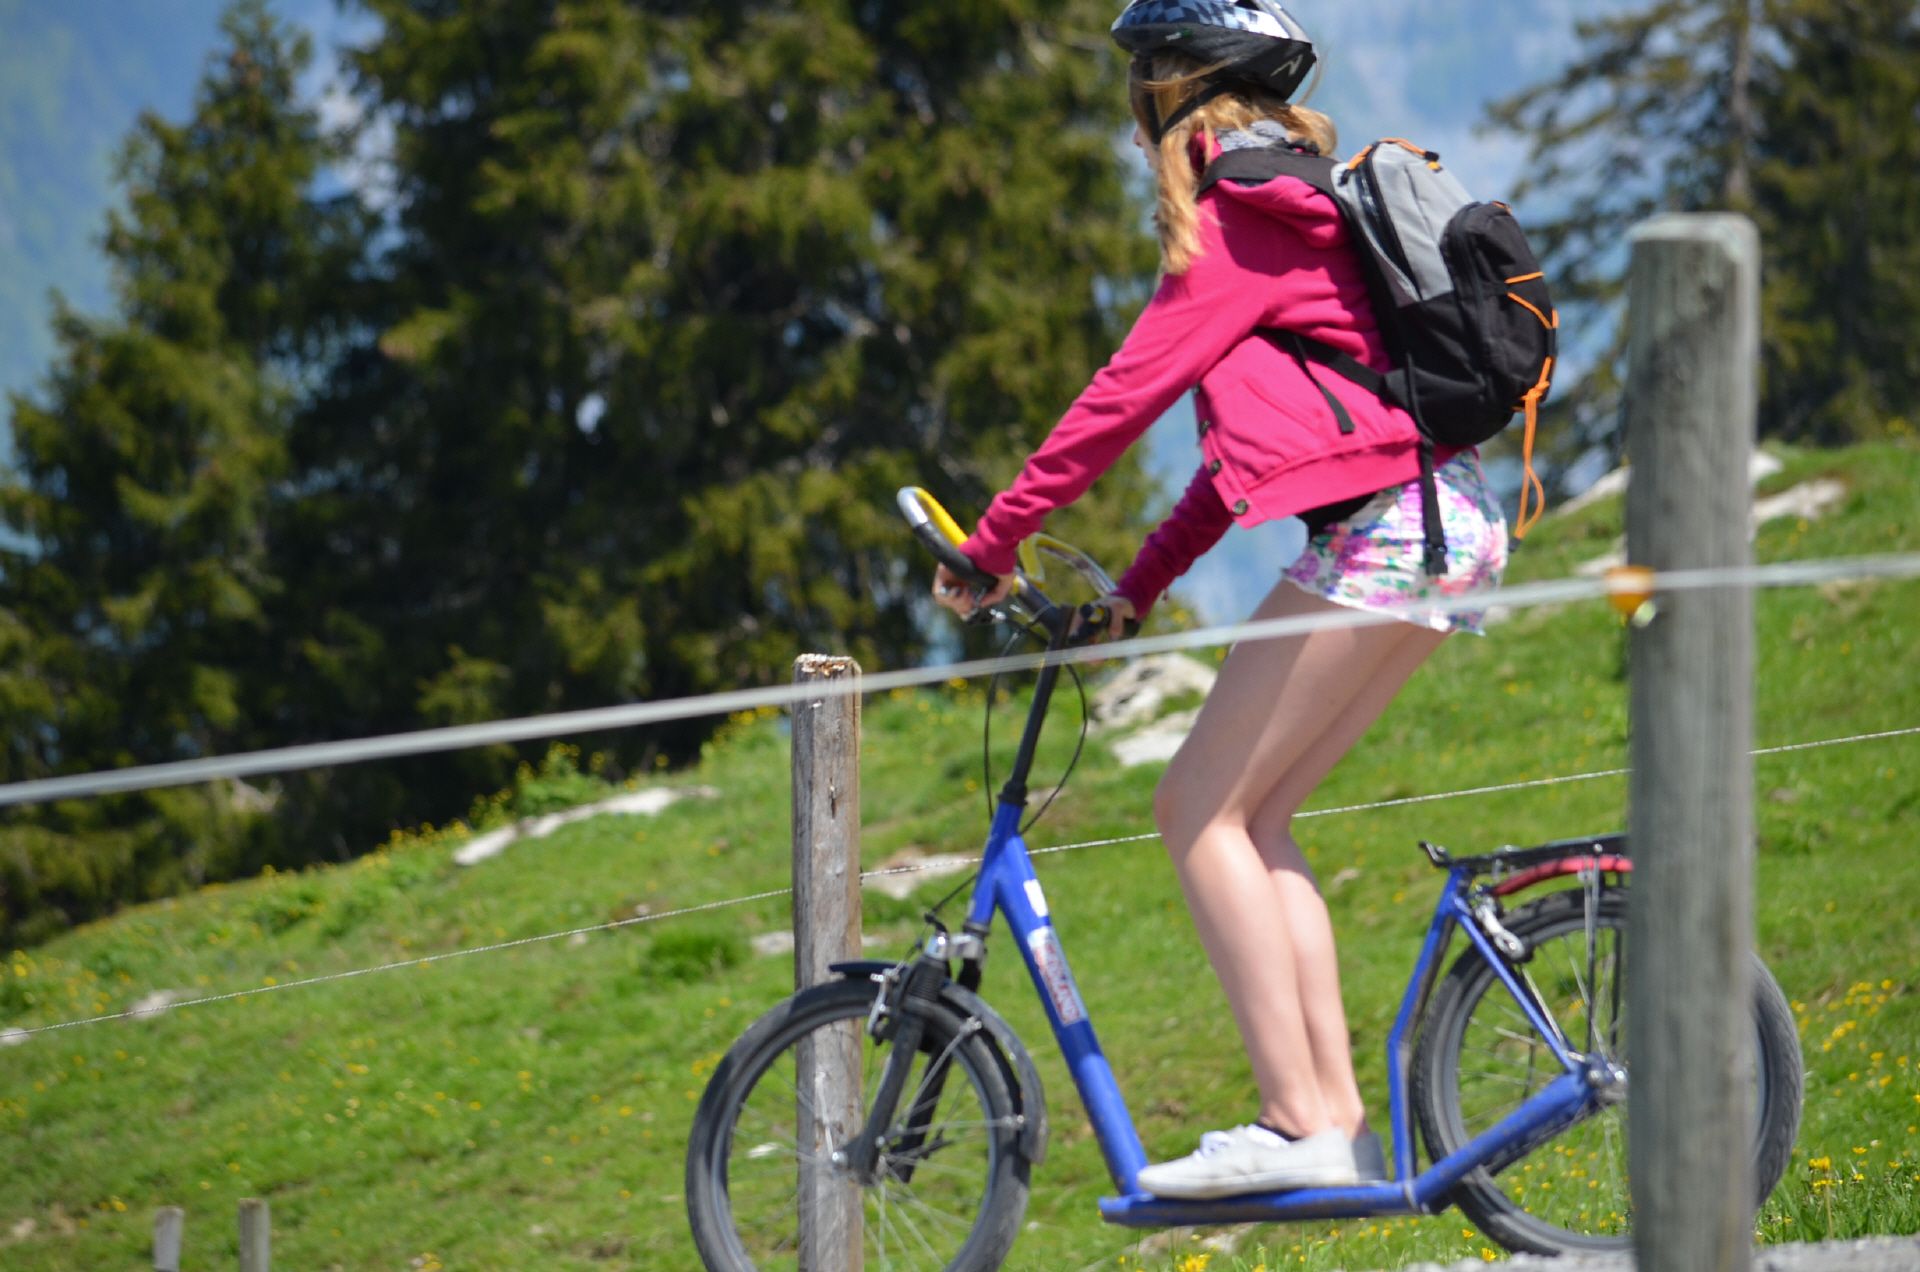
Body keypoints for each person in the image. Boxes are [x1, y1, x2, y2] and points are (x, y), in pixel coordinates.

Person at [930, 0, 1509, 1200]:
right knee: (1258, 817)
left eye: (1145, 83)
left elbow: (1118, 398)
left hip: (1392, 532)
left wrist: (994, 544)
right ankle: (1336, 1125)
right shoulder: (1286, 214)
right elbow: (1244, 457)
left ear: (1180, 99)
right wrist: (1137, 590)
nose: (1135, 110)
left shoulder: (1243, 220)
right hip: (1431, 520)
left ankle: (1298, 1114)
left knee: (1197, 807)